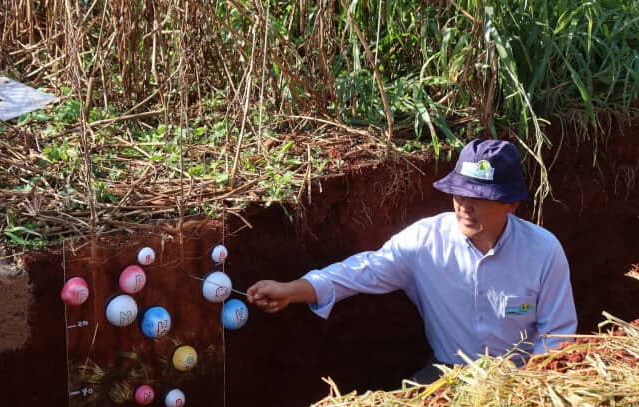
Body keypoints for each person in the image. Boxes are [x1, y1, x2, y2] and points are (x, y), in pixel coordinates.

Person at [246, 139, 577, 384]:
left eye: (479, 198)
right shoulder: (426, 241)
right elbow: (363, 270)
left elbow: (556, 337)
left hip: (520, 380)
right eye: (460, 194)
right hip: (447, 376)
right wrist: (292, 289)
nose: (464, 206)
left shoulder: (543, 252)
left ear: (511, 205)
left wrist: (521, 389)